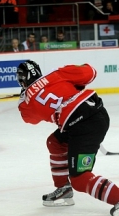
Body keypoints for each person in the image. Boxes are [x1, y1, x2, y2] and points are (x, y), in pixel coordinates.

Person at [16, 60, 119, 216]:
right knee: (55, 142)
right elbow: (91, 72)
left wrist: (24, 97)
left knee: (80, 178)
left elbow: (29, 119)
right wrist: (76, 85)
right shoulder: (56, 74)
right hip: (95, 113)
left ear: (21, 80)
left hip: (83, 127)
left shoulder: (28, 101)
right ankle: (63, 188)